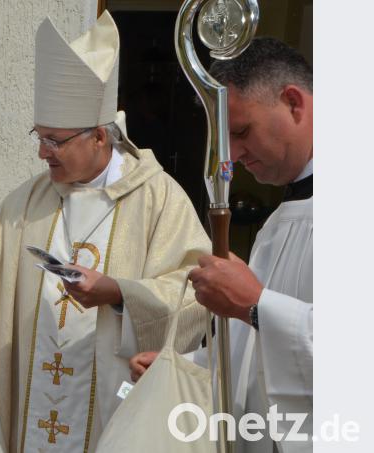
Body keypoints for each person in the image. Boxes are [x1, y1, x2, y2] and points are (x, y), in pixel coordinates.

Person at [0, 11, 211, 452]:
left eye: (56, 140)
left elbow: (195, 294)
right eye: (39, 136)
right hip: (37, 410)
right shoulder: (28, 202)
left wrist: (119, 293)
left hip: (115, 412)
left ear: (100, 138)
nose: (43, 152)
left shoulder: (159, 199)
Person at [130, 37, 313, 453]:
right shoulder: (283, 216)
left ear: (293, 103)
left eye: (241, 131)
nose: (234, 154)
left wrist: (254, 303)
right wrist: (185, 368)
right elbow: (249, 354)